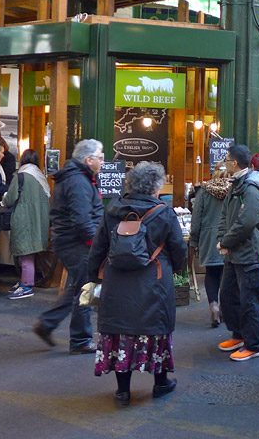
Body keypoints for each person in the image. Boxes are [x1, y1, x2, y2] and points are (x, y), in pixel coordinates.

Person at [87, 162, 187, 408]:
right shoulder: (164, 213)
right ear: (156, 186)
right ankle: (160, 383)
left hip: (117, 282)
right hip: (154, 280)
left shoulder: (112, 210)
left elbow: (98, 247)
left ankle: (122, 391)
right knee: (156, 330)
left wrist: (94, 277)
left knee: (120, 333)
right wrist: (178, 270)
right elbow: (178, 249)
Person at [32, 139, 105, 354]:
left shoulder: (77, 178)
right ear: (88, 160)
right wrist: (95, 244)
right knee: (87, 288)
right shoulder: (79, 181)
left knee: (79, 286)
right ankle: (80, 340)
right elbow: (82, 219)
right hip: (77, 242)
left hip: (71, 240)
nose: (103, 161)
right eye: (100, 157)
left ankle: (47, 323)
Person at [216, 145, 259, 361]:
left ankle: (254, 344)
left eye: (227, 160)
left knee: (249, 300)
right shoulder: (236, 185)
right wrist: (223, 240)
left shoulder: (250, 188)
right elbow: (225, 215)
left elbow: (248, 221)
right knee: (228, 295)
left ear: (235, 163)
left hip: (249, 252)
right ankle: (238, 335)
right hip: (234, 251)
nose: (225, 164)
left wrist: (226, 241)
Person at [1, 150, 50, 300]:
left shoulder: (20, 176)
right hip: (40, 219)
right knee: (31, 251)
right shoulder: (41, 177)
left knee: (25, 253)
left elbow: (10, 199)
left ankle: (27, 285)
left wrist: (4, 199)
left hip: (24, 218)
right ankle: (24, 281)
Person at [190, 168, 232, 328]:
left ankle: (213, 306)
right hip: (229, 236)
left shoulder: (204, 191)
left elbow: (196, 218)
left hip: (208, 237)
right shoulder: (235, 190)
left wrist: (194, 240)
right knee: (228, 274)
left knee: (211, 273)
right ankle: (224, 307)